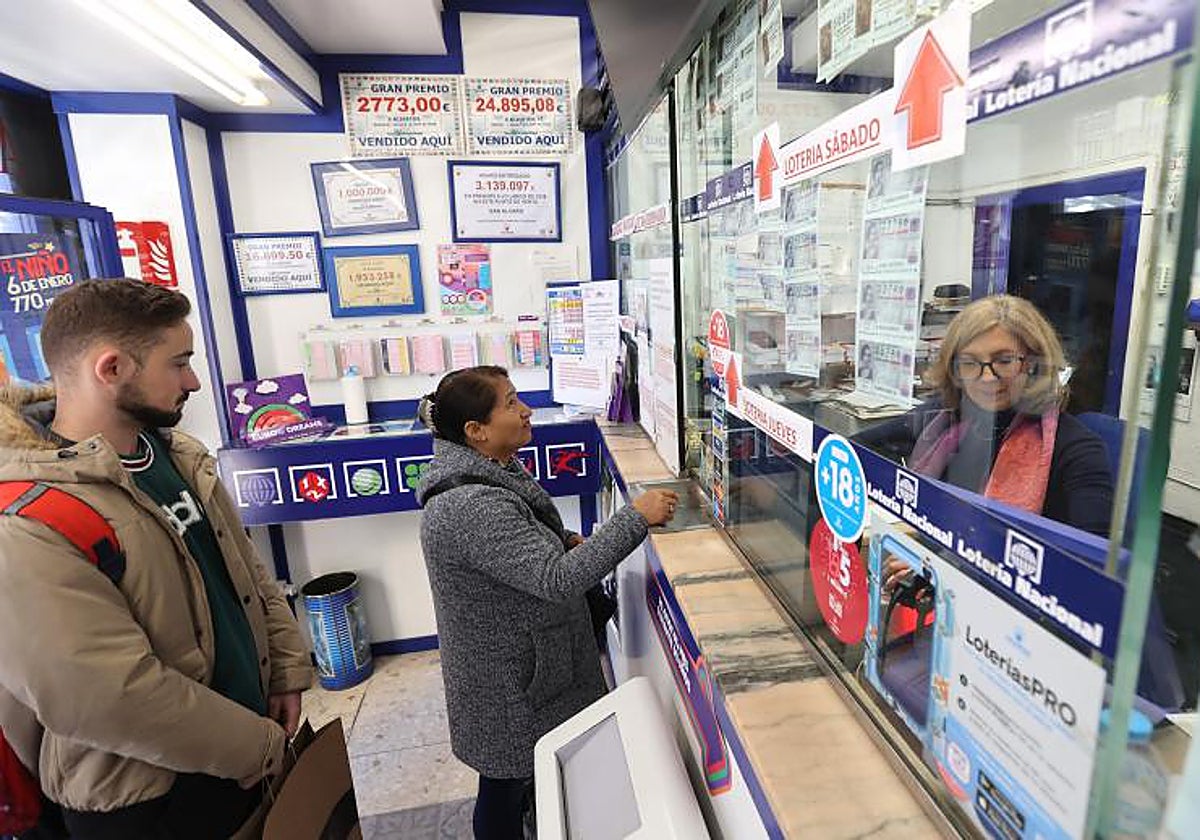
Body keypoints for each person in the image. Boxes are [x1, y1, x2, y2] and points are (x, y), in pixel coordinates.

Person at [0, 279, 312, 840]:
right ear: (112, 368)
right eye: (180, 362)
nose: (193, 380)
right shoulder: (26, 516)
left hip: (239, 755)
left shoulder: (174, 455)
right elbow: (102, 697)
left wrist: (285, 668)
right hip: (145, 799)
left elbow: (245, 572)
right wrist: (257, 747)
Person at [416, 366, 677, 840]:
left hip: (524, 667)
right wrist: (634, 519)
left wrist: (565, 539)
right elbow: (555, 580)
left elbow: (526, 537)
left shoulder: (488, 465)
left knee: (524, 779)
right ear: (476, 431)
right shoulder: (470, 505)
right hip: (511, 684)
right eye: (511, 403)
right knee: (505, 784)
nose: (526, 410)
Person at [857, 294, 1113, 540]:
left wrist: (941, 560)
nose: (988, 377)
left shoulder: (1076, 448)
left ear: (1034, 363)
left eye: (1004, 360)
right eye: (970, 362)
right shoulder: (942, 419)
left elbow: (1091, 565)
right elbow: (847, 451)